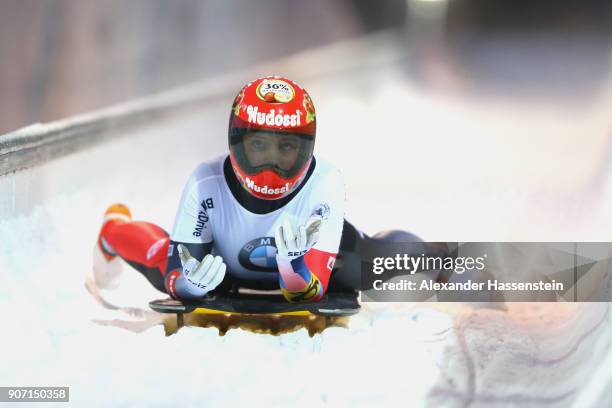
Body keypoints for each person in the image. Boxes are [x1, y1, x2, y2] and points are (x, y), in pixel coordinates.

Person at [94, 76, 425, 303]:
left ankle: (441, 259)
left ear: (306, 149)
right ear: (237, 142)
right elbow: (176, 274)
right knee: (160, 257)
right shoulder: (205, 180)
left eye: (285, 150)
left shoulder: (326, 181)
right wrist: (188, 285)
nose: (270, 169)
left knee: (367, 265)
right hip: (222, 268)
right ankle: (112, 229)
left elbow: (314, 289)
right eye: (259, 147)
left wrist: (294, 267)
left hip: (314, 262)